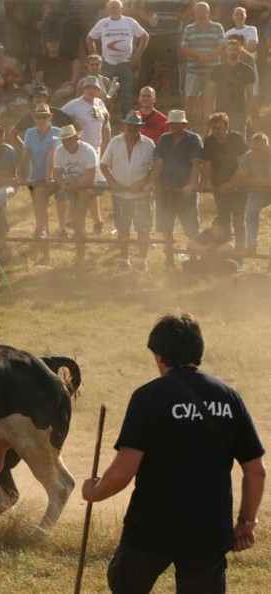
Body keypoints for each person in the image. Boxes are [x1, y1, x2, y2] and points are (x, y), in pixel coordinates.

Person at [82, 313, 265, 594]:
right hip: (208, 531)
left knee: (125, 585)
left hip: (150, 528)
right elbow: (256, 471)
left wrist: (95, 492)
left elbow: (124, 470)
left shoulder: (148, 397)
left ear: (159, 356)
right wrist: (246, 522)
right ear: (199, 350)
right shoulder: (229, 398)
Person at [101, 110, 156, 271]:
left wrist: (143, 182)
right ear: (125, 125)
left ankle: (142, 261)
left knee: (143, 229)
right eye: (130, 125)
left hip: (141, 194)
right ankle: (124, 260)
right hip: (120, 194)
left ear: (141, 127)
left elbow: (154, 169)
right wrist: (112, 182)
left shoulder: (149, 144)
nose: (133, 128)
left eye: (136, 126)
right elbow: (103, 165)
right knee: (123, 229)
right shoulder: (115, 142)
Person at [151, 109, 204, 266]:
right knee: (166, 227)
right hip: (166, 188)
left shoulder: (194, 139)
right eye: (171, 123)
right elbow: (158, 163)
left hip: (185, 191)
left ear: (184, 124)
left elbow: (197, 163)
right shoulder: (164, 139)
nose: (173, 126)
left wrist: (191, 183)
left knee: (191, 227)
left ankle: (193, 259)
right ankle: (169, 258)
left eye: (177, 123)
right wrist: (153, 181)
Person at [62, 75, 110, 234]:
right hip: (80, 150)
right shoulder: (74, 104)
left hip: (96, 149)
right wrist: (74, 128)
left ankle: (91, 221)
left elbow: (105, 122)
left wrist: (105, 147)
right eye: (88, 87)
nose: (91, 90)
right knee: (86, 187)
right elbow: (59, 117)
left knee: (92, 186)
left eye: (94, 87)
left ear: (98, 90)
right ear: (83, 89)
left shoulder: (100, 103)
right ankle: (79, 221)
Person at [86, 0, 149, 116]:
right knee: (104, 92)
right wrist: (97, 57)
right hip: (108, 64)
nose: (114, 10)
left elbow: (145, 37)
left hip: (126, 64)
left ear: (121, 9)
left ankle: (127, 120)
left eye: (117, 7)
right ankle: (100, 117)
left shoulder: (129, 22)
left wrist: (137, 55)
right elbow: (89, 39)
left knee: (126, 93)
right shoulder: (102, 23)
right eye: (112, 7)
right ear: (108, 9)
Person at [20, 103, 61, 267]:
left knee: (41, 213)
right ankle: (44, 252)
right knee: (41, 214)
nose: (41, 119)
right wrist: (23, 176)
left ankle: (46, 253)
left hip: (52, 178)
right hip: (35, 178)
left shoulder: (57, 132)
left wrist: (48, 178)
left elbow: (53, 154)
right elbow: (25, 155)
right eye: (38, 116)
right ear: (34, 118)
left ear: (50, 117)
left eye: (44, 116)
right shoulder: (29, 133)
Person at [51, 124, 98, 266]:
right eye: (64, 140)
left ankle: (76, 223)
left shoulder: (88, 150)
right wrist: (63, 184)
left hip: (91, 184)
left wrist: (73, 186)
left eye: (69, 139)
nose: (66, 143)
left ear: (76, 138)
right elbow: (56, 174)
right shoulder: (59, 151)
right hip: (70, 185)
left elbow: (90, 177)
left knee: (84, 194)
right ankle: (80, 256)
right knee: (78, 220)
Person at [201, 112, 247, 253]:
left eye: (218, 128)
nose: (215, 131)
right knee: (223, 218)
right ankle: (225, 248)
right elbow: (207, 165)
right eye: (213, 128)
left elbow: (243, 165)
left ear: (226, 127)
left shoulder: (237, 138)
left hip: (238, 186)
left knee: (238, 219)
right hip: (219, 186)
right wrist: (203, 183)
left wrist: (232, 184)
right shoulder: (209, 141)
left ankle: (240, 249)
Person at [180, 1, 224, 126]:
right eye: (197, 12)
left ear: (208, 12)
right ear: (194, 13)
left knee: (209, 101)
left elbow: (221, 46)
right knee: (190, 100)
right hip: (193, 70)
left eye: (203, 11)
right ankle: (188, 129)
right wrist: (198, 55)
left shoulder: (217, 27)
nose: (200, 14)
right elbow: (183, 48)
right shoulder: (189, 28)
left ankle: (208, 129)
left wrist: (208, 57)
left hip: (212, 71)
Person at [228, 132, 271, 256]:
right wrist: (260, 182)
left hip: (262, 190)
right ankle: (251, 245)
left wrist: (255, 182)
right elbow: (242, 178)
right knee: (251, 209)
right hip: (258, 193)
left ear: (267, 148)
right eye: (254, 149)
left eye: (260, 150)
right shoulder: (249, 156)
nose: (256, 152)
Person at [133, 0, 186, 98]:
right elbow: (136, 7)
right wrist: (147, 18)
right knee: (147, 66)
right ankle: (141, 96)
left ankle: (176, 96)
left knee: (173, 65)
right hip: (151, 35)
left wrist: (183, 16)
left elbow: (192, 3)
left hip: (171, 34)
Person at [206, 38, 254, 137]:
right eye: (230, 49)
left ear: (240, 51)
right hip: (220, 111)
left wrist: (247, 112)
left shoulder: (247, 70)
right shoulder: (217, 69)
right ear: (226, 51)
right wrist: (209, 111)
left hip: (239, 111)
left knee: (238, 141)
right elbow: (211, 91)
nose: (233, 52)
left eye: (235, 49)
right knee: (219, 139)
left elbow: (250, 93)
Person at [8, 85, 74, 152]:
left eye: (41, 96)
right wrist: (26, 150)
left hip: (57, 153)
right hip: (38, 154)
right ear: (32, 100)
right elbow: (13, 133)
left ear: (47, 99)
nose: (38, 99)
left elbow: (75, 126)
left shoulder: (57, 113)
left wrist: (70, 146)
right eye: (35, 97)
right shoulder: (29, 117)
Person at [34, 33, 80, 104]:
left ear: (59, 43)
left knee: (65, 91)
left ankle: (51, 104)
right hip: (49, 88)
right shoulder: (43, 59)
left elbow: (77, 65)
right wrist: (46, 88)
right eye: (50, 42)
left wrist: (72, 81)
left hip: (67, 86)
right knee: (29, 88)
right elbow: (39, 78)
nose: (53, 44)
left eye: (55, 42)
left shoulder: (67, 54)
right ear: (46, 44)